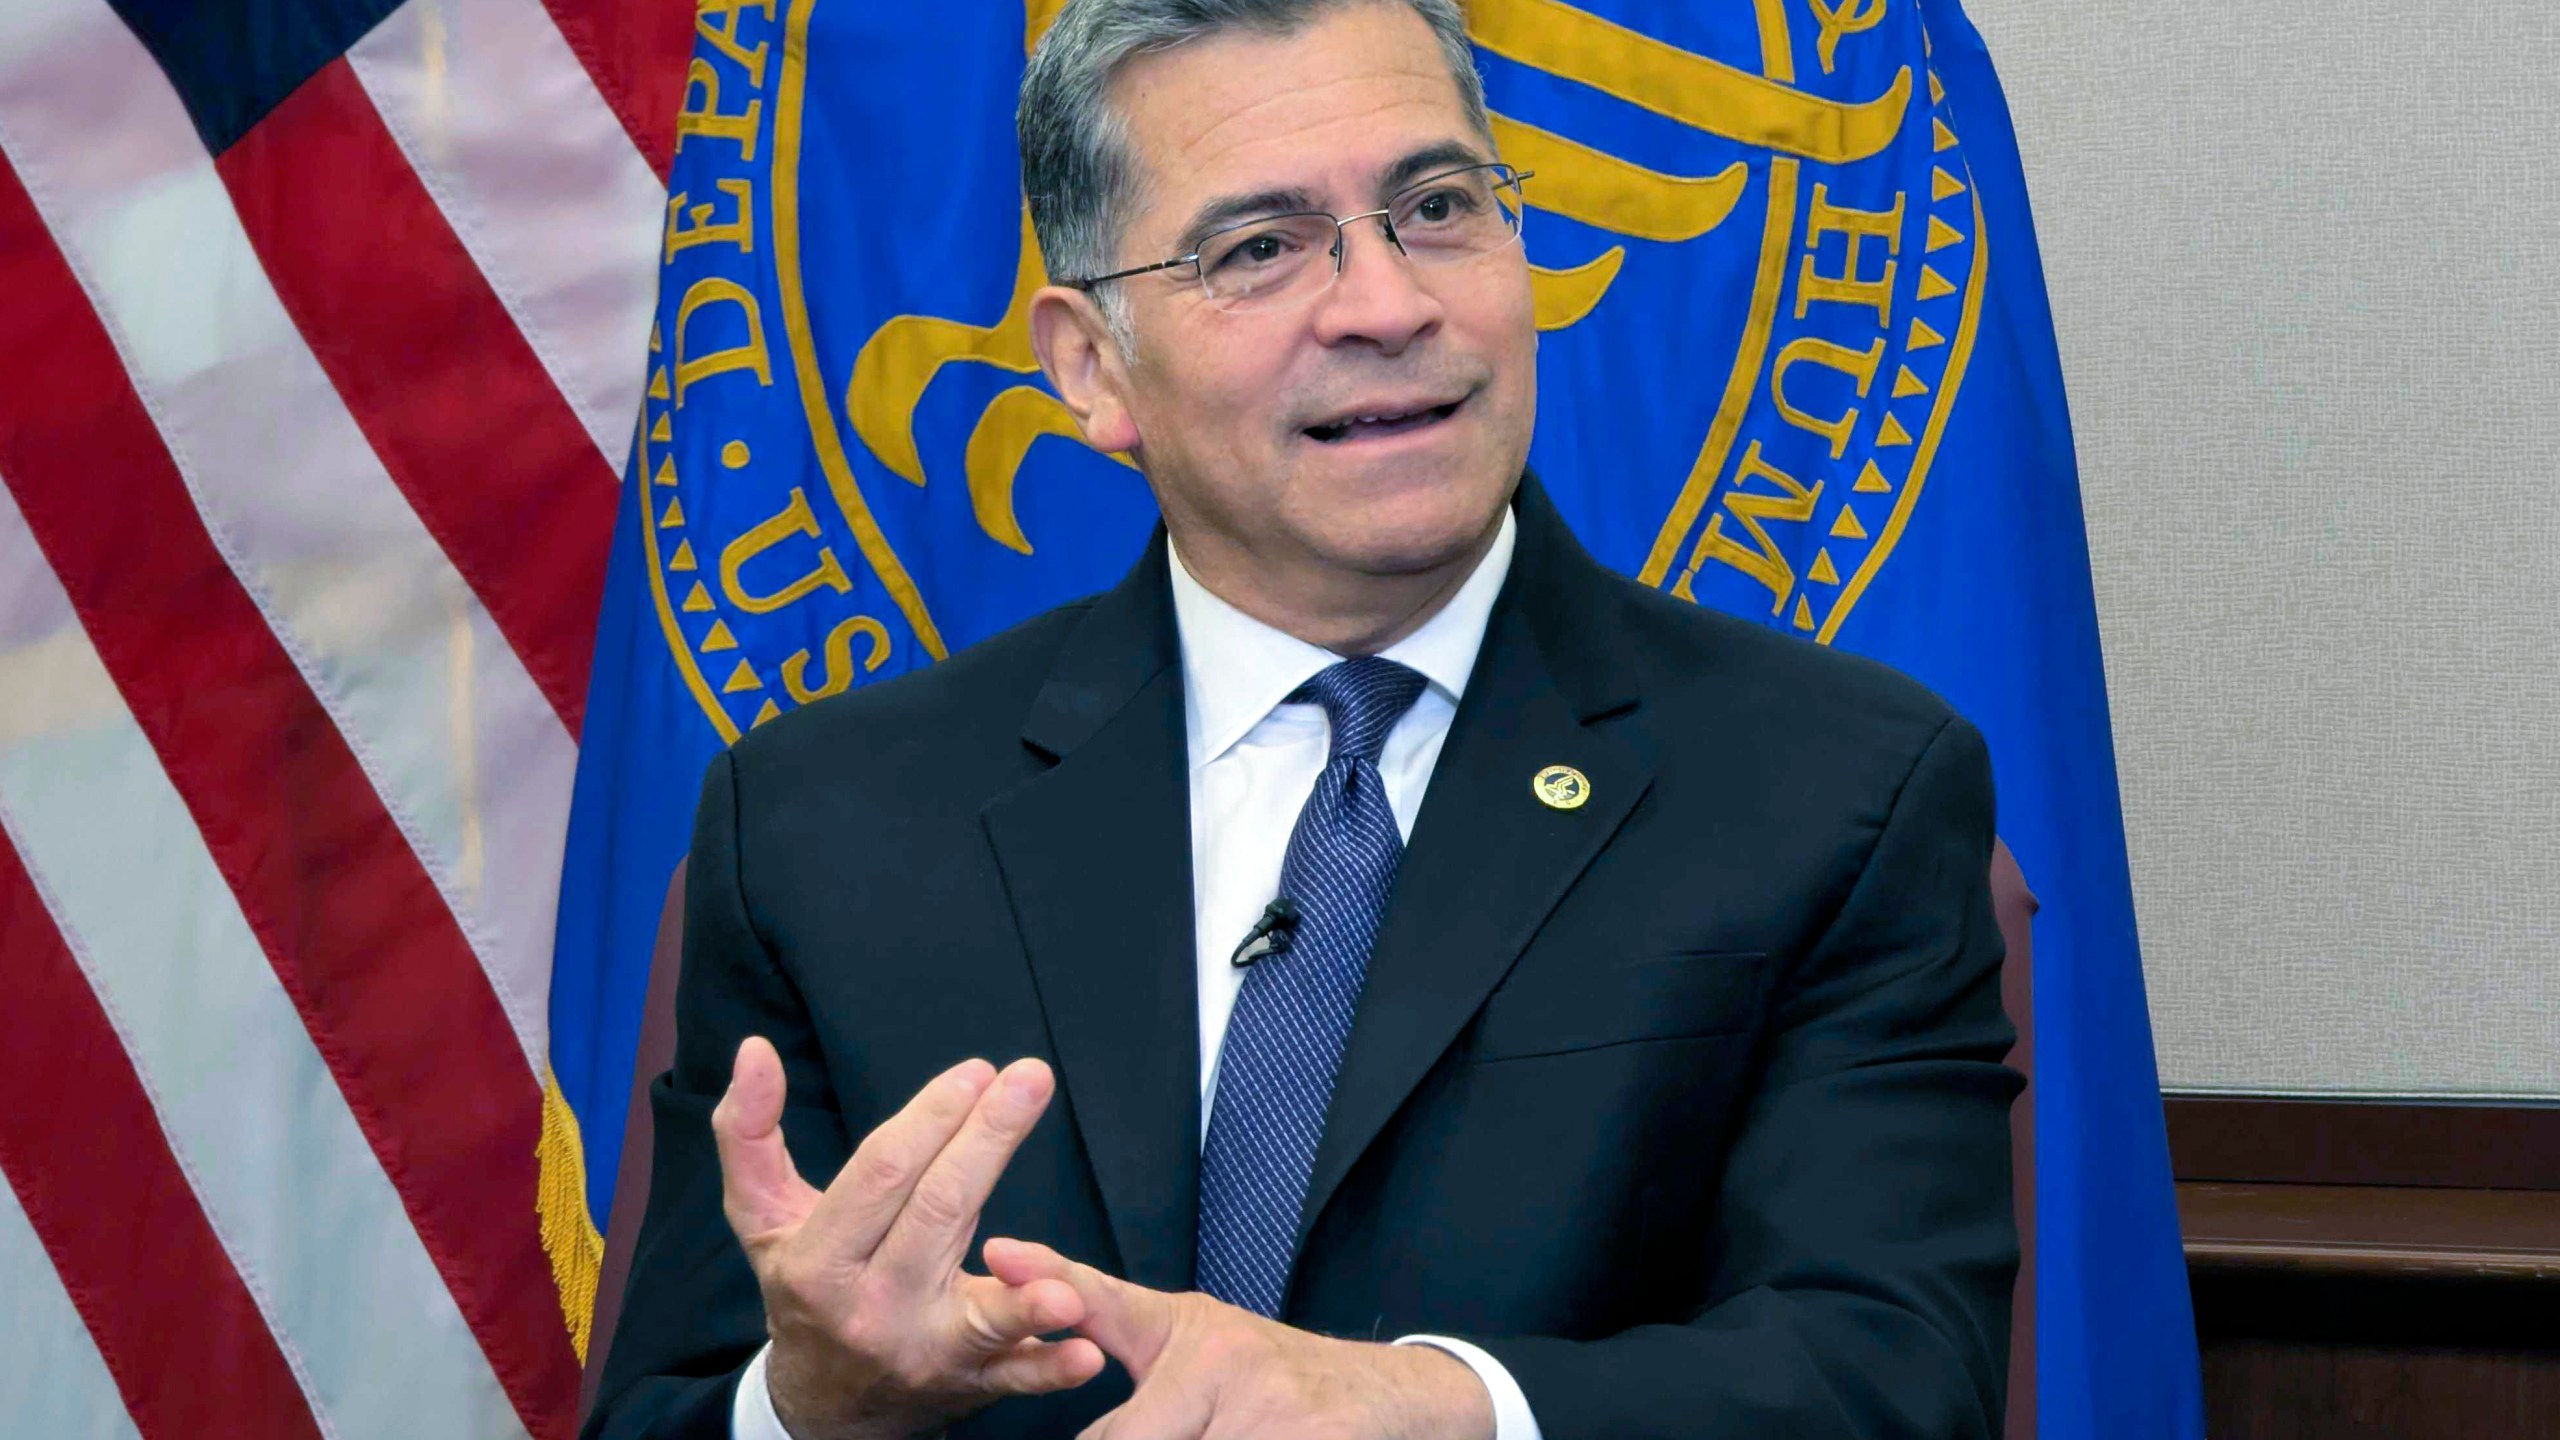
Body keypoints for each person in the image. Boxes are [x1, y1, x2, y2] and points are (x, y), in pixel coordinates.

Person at [585, 1, 2021, 1437]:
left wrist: (1440, 1410)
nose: (1387, 306)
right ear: (1090, 369)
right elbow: (669, 1414)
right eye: (1260, 249)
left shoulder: (1839, 792)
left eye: (1439, 207)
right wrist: (808, 1405)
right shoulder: (824, 826)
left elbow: (1891, 1379)